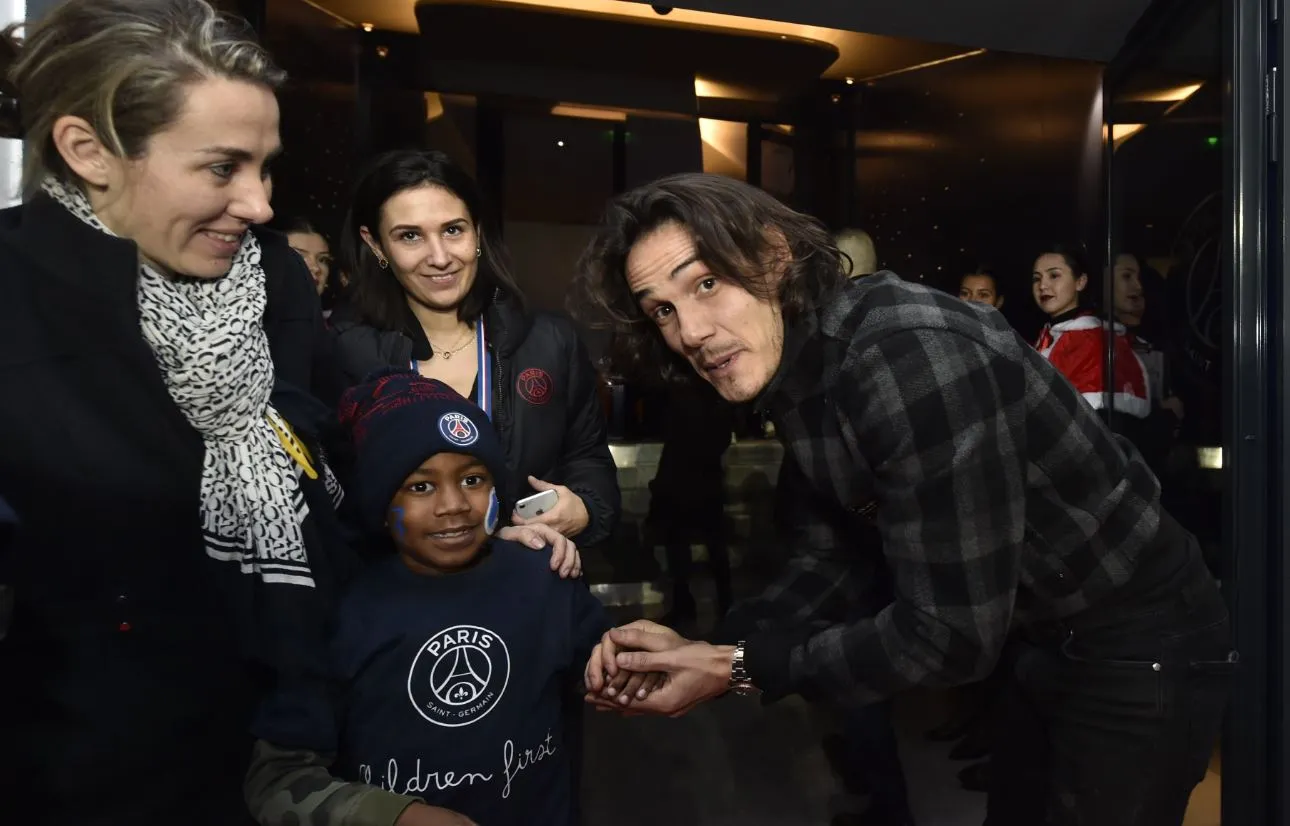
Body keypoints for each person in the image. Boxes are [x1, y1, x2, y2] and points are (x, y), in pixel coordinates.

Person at [0, 4, 577, 824]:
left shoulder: (273, 281)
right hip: (98, 779)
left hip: (307, 744)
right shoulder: (17, 303)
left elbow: (342, 481)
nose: (260, 203)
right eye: (222, 168)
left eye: (266, 167)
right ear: (87, 150)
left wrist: (474, 540)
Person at [574, 173, 1234, 825]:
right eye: (662, 309)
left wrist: (737, 667)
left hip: (1141, 633)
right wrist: (707, 648)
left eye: (705, 284)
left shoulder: (903, 355)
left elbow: (950, 636)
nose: (689, 331)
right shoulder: (799, 365)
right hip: (1040, 633)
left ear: (774, 255)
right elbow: (831, 555)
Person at [245, 372, 635, 826]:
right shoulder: (338, 611)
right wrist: (396, 817)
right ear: (378, 502)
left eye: (472, 479)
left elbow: (601, 664)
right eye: (420, 486)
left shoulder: (542, 577)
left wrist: (629, 663)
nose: (454, 504)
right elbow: (276, 780)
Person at [333, 149, 619, 547]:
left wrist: (585, 507)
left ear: (478, 232)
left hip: (530, 575)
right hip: (401, 582)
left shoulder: (550, 342)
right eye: (410, 236)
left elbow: (589, 459)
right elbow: (336, 497)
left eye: (453, 230)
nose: (439, 257)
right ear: (376, 245)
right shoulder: (345, 354)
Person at [1032, 243, 1151, 420]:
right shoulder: (1049, 336)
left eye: (1054, 275)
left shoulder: (1090, 339)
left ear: (1080, 282)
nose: (1042, 285)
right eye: (1037, 278)